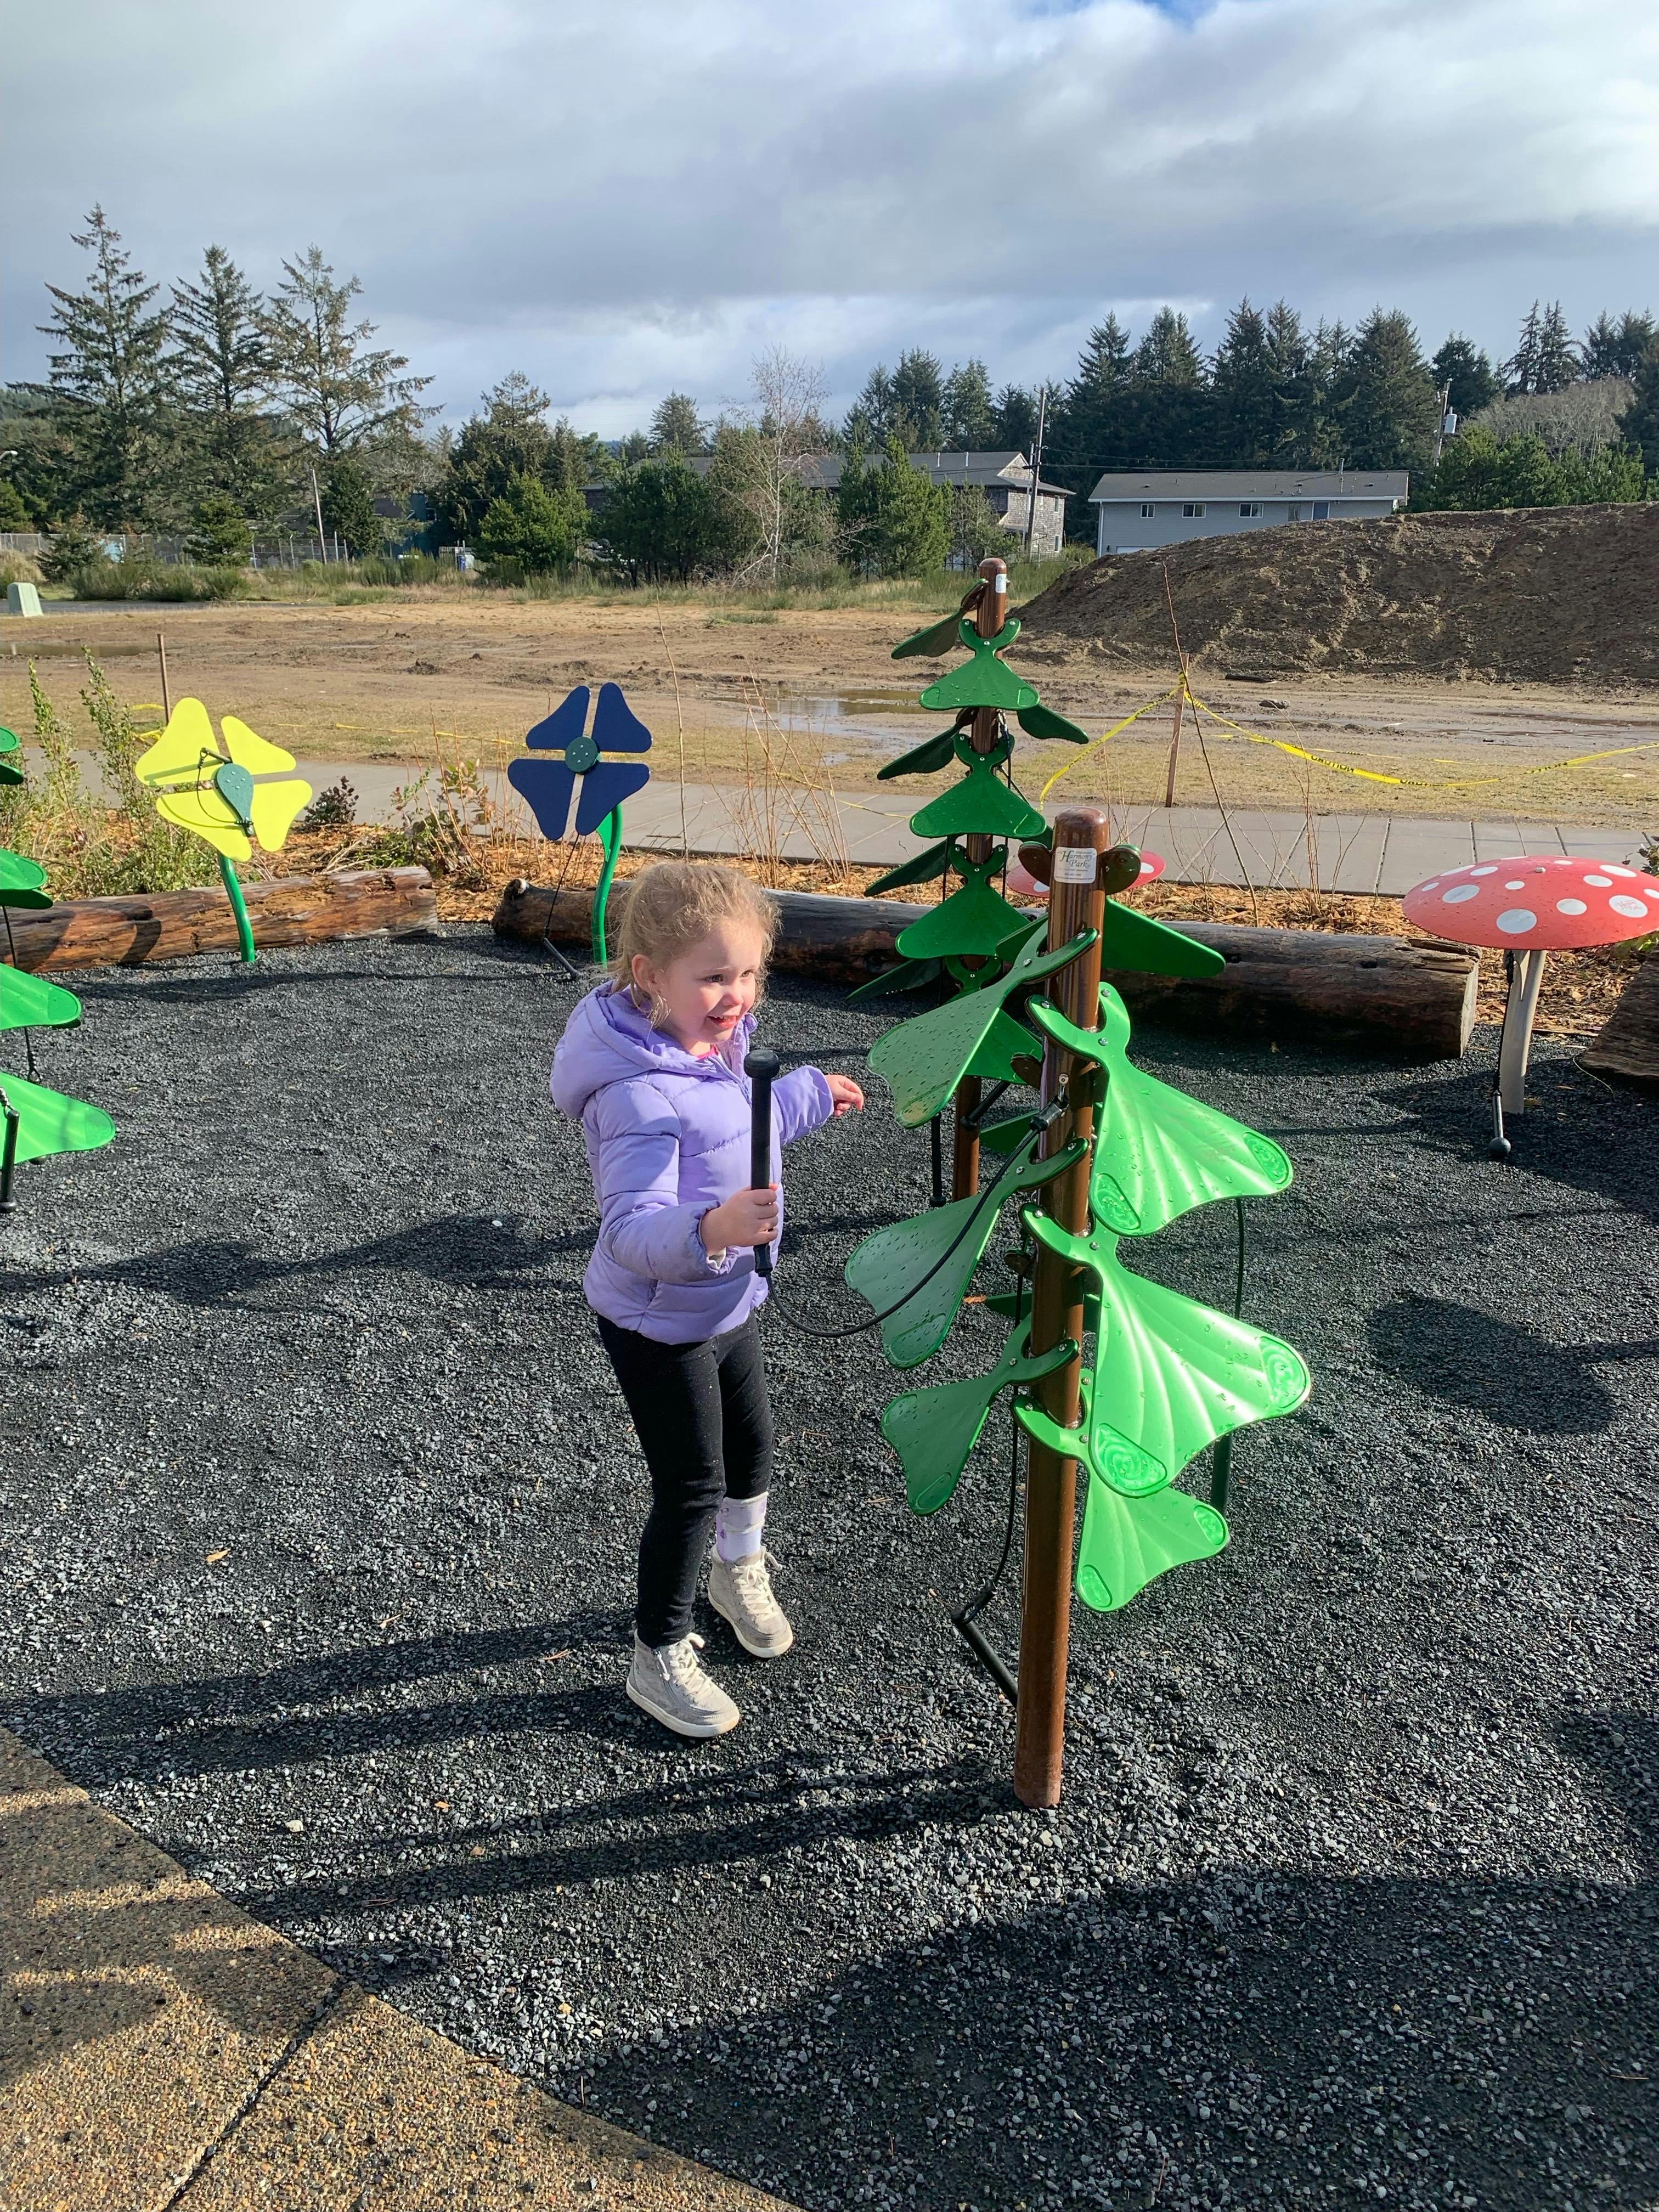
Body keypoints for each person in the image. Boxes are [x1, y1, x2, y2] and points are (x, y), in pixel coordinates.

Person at [551, 861, 863, 1739]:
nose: (736, 995)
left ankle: (738, 1568)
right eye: (715, 977)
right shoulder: (634, 1093)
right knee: (690, 1484)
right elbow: (630, 1230)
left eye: (749, 974)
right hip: (657, 1319)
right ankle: (659, 1651)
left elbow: (740, 1115)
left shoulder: (704, 1044)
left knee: (753, 1448)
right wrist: (715, 1229)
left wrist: (809, 1092)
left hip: (726, 1304)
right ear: (649, 976)